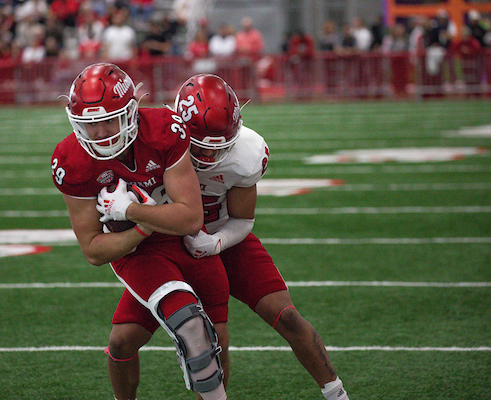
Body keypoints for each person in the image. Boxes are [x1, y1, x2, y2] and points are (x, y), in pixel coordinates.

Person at [107, 74, 350, 400]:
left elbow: (242, 219)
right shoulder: (159, 139)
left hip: (223, 236)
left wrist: (217, 242)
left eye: (218, 148)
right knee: (123, 340)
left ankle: (337, 395)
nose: (208, 158)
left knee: (285, 318)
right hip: (165, 242)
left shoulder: (245, 153)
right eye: (201, 147)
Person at [51, 63, 230, 400]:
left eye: (109, 120)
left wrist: (131, 211)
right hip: (133, 250)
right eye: (91, 125)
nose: (102, 133)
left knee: (125, 339)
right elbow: (93, 250)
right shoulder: (70, 159)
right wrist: (143, 228)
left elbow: (191, 217)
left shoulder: (163, 129)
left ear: (132, 111)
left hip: (185, 238)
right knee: (190, 326)